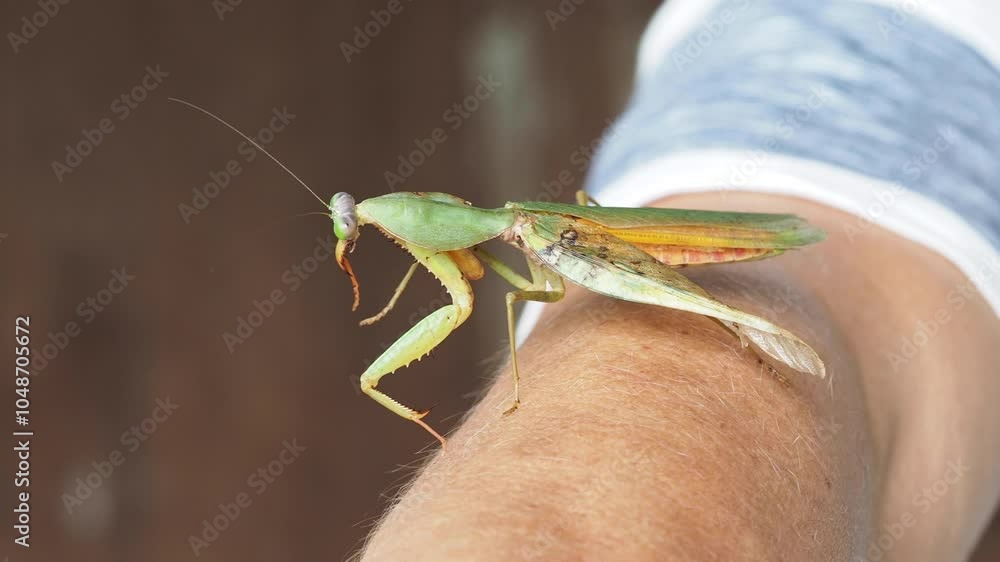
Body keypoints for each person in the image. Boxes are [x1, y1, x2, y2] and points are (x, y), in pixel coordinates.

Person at [359, 1, 1000, 559]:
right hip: (711, 73)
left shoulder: (522, 232)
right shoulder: (506, 228)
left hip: (920, 98)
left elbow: (575, 528)